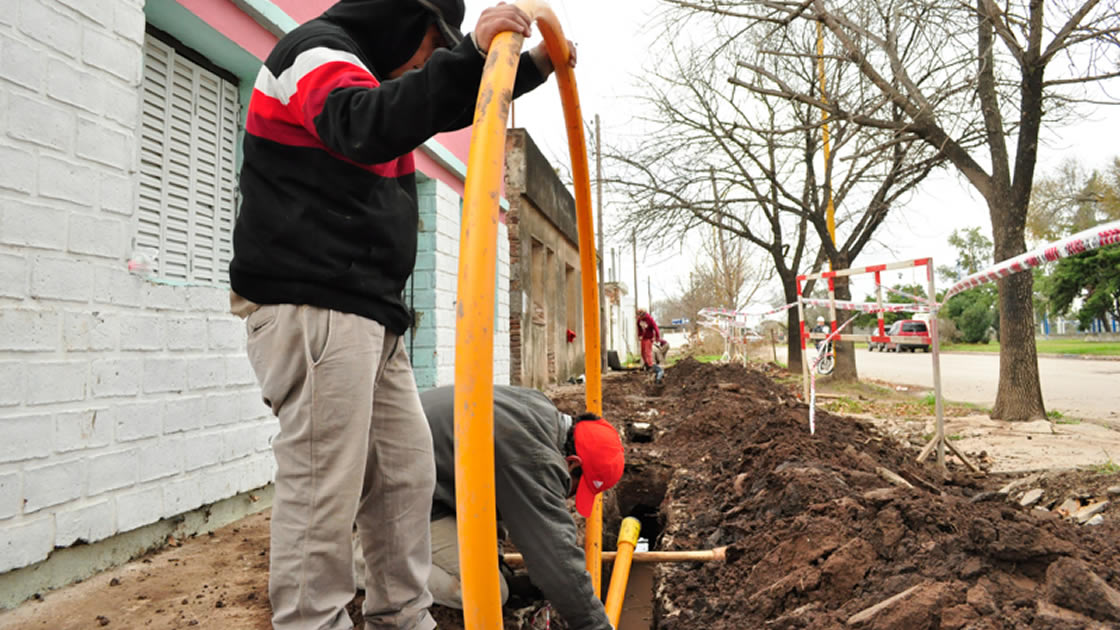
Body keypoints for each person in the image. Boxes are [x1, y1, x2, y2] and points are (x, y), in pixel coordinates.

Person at [228, 2, 575, 628]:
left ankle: (403, 618)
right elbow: (365, 124)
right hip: (314, 306)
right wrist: (469, 52)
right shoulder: (317, 52)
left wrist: (531, 68)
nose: (426, 61)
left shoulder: (373, 83)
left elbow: (438, 101)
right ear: (399, 16)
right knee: (322, 486)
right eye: (429, 45)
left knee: (404, 476)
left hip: (368, 314)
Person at [355, 385, 624, 630]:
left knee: (492, 564)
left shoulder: (539, 412)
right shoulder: (535, 457)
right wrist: (596, 625)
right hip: (382, 493)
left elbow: (497, 506)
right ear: (573, 463)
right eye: (575, 487)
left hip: (417, 479)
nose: (568, 497)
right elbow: (555, 554)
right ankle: (359, 557)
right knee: (489, 591)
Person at [636, 308, 664, 382]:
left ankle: (651, 365)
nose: (639, 317)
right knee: (642, 352)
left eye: (640, 315)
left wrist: (657, 337)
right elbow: (639, 328)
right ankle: (647, 364)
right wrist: (639, 335)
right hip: (643, 338)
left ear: (644, 314)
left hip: (649, 338)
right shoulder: (639, 320)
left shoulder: (649, 319)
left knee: (647, 352)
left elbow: (655, 328)